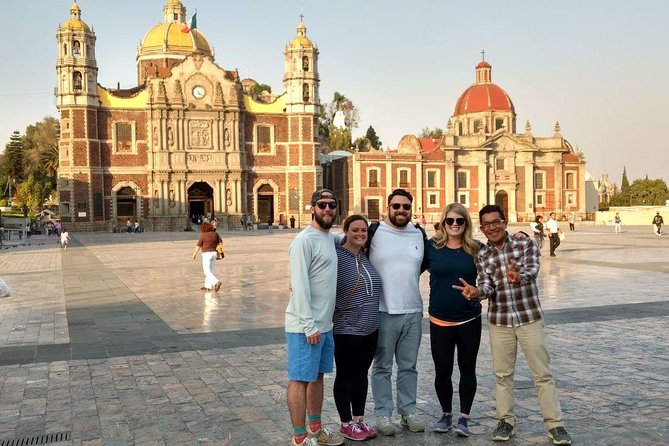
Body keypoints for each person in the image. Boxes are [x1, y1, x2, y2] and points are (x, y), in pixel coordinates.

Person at [453, 204, 572, 445]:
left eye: (496, 222)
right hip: (500, 321)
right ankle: (505, 421)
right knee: (502, 376)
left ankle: (555, 425)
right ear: (482, 228)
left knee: (542, 374)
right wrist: (476, 292)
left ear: (504, 222)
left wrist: (520, 277)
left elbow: (533, 269)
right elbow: (487, 286)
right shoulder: (482, 255)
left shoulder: (524, 243)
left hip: (529, 318)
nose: (492, 227)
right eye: (486, 224)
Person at [285, 189, 344, 446]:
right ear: (312, 208)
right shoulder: (303, 241)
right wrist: (309, 326)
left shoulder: (329, 238)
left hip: (325, 325)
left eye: (332, 204)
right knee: (300, 379)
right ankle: (299, 438)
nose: (328, 209)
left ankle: (315, 429)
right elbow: (299, 286)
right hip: (304, 326)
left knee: (317, 377)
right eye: (322, 205)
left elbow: (351, 235)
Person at [369, 189, 426, 436]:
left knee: (408, 366)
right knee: (382, 366)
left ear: (411, 209)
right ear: (388, 207)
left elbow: (426, 263)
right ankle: (383, 414)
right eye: (396, 206)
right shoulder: (374, 232)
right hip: (383, 311)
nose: (401, 210)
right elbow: (346, 244)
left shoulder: (419, 233)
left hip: (413, 310)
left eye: (406, 206)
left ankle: (408, 411)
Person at [424, 203, 482, 437]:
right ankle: (446, 414)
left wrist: (477, 291)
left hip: (469, 319)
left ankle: (464, 418)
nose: (455, 225)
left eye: (460, 220)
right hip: (439, 320)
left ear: (466, 223)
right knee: (442, 371)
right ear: (443, 223)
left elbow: (493, 274)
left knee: (468, 369)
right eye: (450, 221)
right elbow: (408, 266)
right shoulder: (432, 248)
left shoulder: (476, 249)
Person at [332, 214, 381, 441]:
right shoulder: (336, 256)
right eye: (355, 230)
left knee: (361, 374)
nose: (360, 234)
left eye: (364, 230)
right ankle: (345, 423)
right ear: (346, 231)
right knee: (345, 375)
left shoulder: (365, 256)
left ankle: (358, 419)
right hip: (346, 329)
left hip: (370, 329)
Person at [191, 221, 222, 292]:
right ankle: (208, 286)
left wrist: (194, 254)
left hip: (206, 254)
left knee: (206, 271)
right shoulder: (215, 234)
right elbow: (220, 242)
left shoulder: (203, 235)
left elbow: (198, 246)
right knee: (210, 270)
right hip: (214, 253)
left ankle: (216, 282)